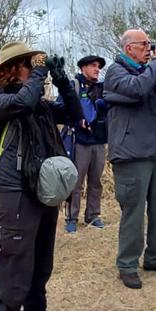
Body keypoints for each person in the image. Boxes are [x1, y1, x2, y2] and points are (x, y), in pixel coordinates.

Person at [0, 41, 82, 311]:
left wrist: (62, 78)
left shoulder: (39, 105)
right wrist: (40, 73)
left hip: (42, 190)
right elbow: (23, 102)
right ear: (13, 70)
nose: (36, 70)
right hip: (16, 193)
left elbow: (74, 113)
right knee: (16, 263)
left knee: (42, 259)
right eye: (30, 64)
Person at [103, 29, 156, 288]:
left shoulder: (148, 71)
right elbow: (137, 89)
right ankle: (127, 264)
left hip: (154, 150)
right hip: (130, 154)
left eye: (150, 44)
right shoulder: (116, 72)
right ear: (129, 48)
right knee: (134, 212)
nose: (149, 48)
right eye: (144, 44)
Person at [65, 55, 108, 233]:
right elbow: (62, 110)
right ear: (83, 68)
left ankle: (93, 215)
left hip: (99, 141)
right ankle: (71, 217)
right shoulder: (73, 86)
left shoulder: (102, 88)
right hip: (80, 141)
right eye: (93, 66)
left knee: (96, 181)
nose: (97, 69)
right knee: (76, 182)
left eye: (99, 66)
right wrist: (78, 121)